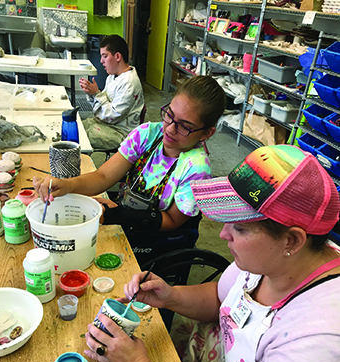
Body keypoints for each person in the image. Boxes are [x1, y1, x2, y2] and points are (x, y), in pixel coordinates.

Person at [84, 145, 340, 362]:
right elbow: (221, 298)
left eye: (240, 227)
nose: (221, 234)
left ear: (292, 240)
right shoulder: (273, 259)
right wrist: (172, 296)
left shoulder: (321, 338)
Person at [34, 75, 226, 267]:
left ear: (207, 133)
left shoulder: (196, 169)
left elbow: (173, 221)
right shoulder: (148, 135)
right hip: (127, 217)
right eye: (169, 115)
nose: (170, 129)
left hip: (156, 239)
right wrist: (68, 185)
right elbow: (103, 176)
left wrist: (118, 215)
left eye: (185, 126)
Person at [79, 34, 144, 150]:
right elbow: (103, 106)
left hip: (121, 132)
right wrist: (92, 94)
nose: (101, 61)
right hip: (108, 124)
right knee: (77, 127)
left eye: (105, 56)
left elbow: (112, 116)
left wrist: (97, 94)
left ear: (118, 56)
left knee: (83, 136)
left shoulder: (129, 82)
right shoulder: (112, 76)